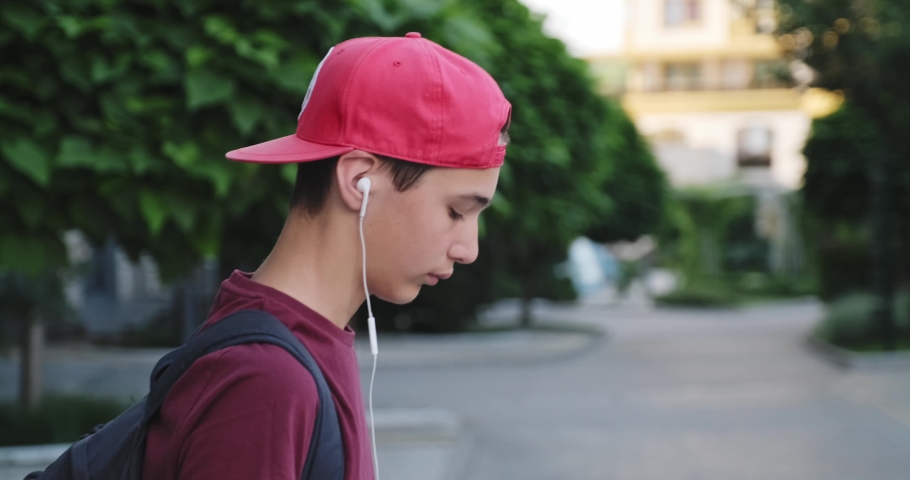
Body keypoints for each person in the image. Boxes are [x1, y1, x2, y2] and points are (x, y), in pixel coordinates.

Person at [141, 32, 511, 479]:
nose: (468, 250)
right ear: (359, 183)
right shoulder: (265, 380)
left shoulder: (301, 344)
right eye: (456, 211)